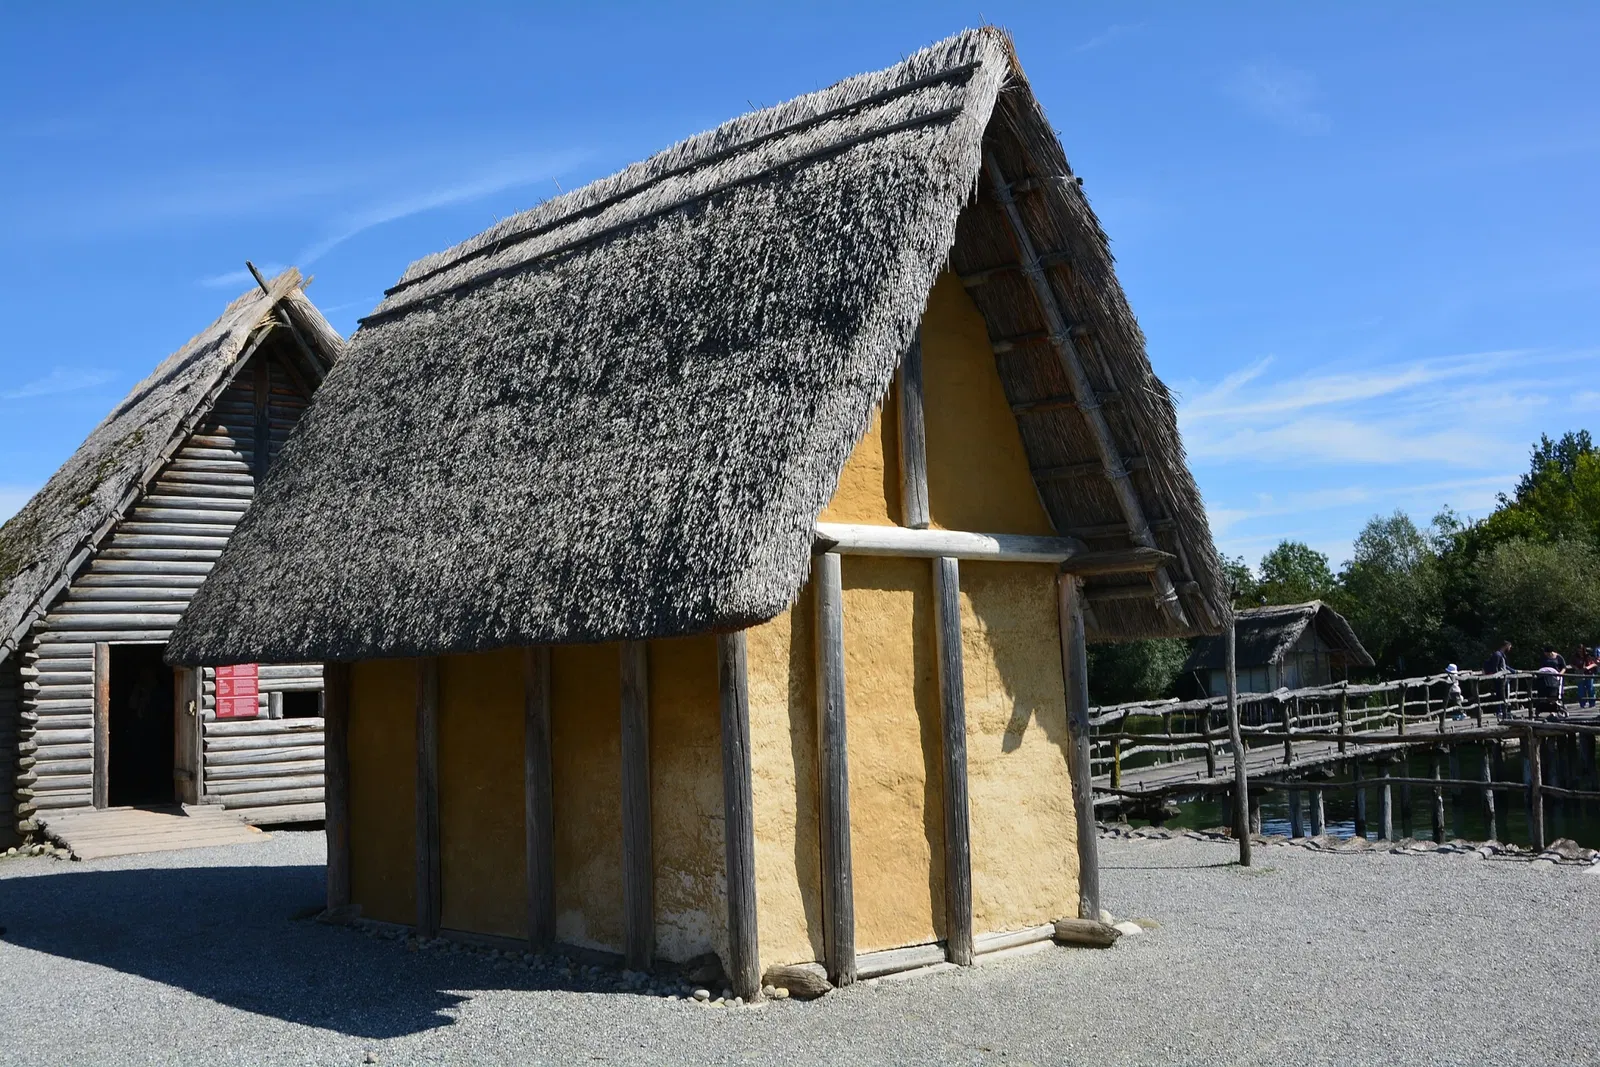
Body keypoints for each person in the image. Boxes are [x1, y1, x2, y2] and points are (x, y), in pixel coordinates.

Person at [1482, 641, 1513, 719]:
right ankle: (1500, 712)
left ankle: (1503, 712)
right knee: (1500, 695)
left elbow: (1504, 666)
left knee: (1503, 695)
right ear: (1506, 646)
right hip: (1500, 679)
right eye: (1509, 646)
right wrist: (1497, 678)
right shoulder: (1497, 655)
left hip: (1503, 678)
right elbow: (1495, 668)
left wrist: (1513, 671)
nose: (1510, 648)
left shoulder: (1501, 655)